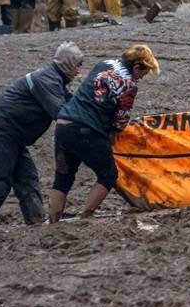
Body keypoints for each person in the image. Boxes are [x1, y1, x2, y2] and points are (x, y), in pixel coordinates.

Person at [0, 42, 84, 228]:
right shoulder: (48, 79)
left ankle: (36, 222)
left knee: (27, 179)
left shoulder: (54, 78)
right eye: (77, 66)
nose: (78, 71)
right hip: (2, 130)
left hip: (10, 134)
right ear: (68, 64)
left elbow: (73, 104)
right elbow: (61, 112)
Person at [50, 44, 159, 222]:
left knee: (63, 177)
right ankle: (85, 216)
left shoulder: (104, 64)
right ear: (137, 66)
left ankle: (53, 222)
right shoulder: (129, 85)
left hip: (63, 125)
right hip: (86, 129)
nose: (140, 78)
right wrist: (111, 137)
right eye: (143, 73)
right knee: (108, 174)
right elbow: (120, 121)